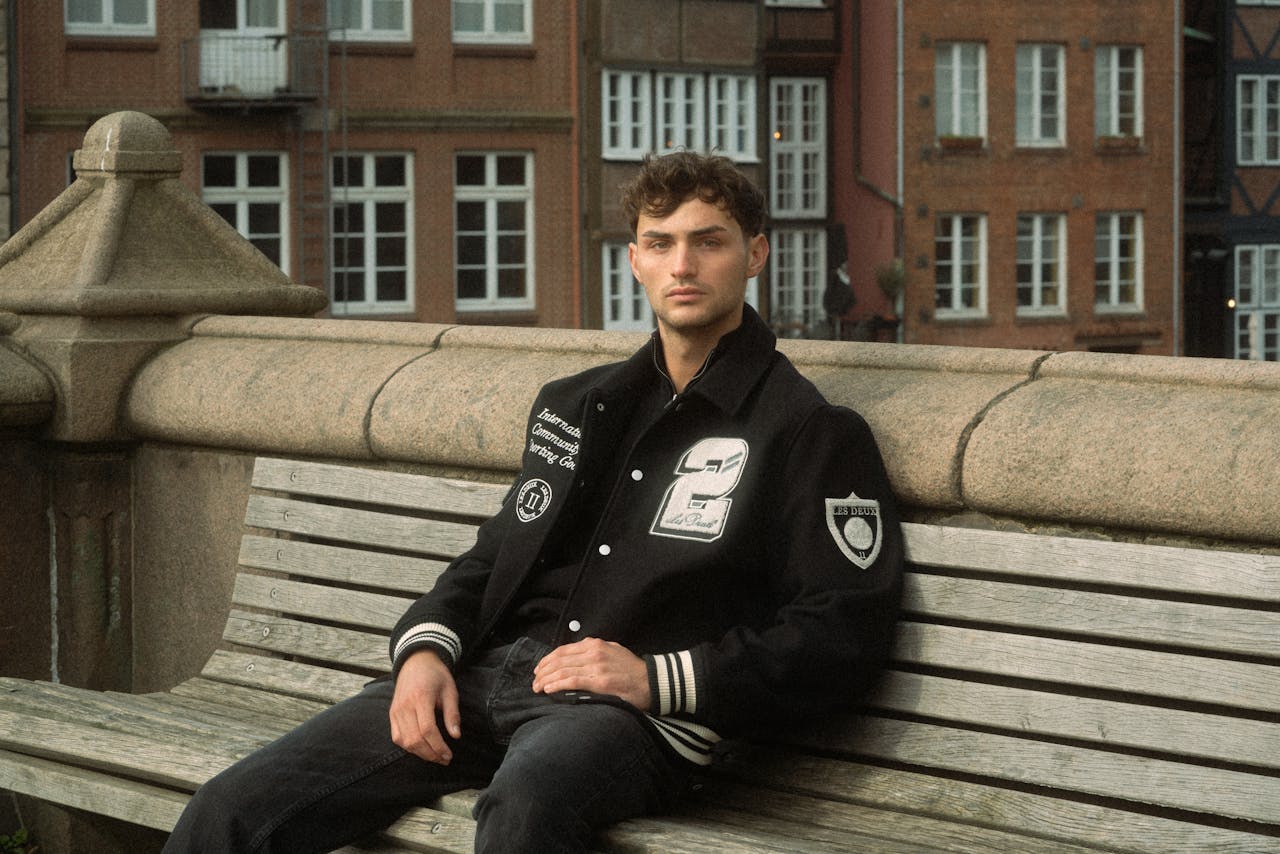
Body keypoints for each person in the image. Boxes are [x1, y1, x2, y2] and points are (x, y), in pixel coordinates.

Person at [163, 151, 904, 853]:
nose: (683, 265)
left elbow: (842, 629)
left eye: (708, 242)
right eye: (661, 243)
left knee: (525, 811)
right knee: (229, 810)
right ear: (634, 260)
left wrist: (655, 677)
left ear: (756, 255)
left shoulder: (807, 430)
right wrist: (423, 650)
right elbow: (495, 555)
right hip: (479, 681)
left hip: (631, 718)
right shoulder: (580, 406)